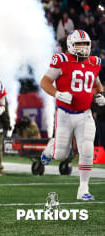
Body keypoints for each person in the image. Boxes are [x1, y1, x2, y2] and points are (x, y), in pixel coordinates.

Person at [40, 30, 104, 201]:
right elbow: (45, 82)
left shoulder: (94, 62)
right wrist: (58, 94)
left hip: (85, 114)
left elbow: (96, 85)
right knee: (60, 155)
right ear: (70, 45)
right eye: (79, 44)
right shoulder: (61, 60)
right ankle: (50, 146)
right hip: (65, 114)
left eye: (85, 44)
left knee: (87, 150)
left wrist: (98, 95)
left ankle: (83, 189)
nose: (83, 48)